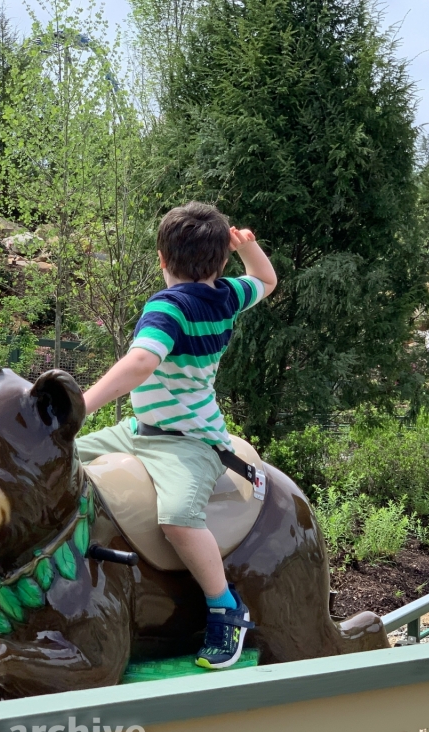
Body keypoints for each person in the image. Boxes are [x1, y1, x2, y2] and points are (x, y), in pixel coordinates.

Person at [75, 201, 277, 669]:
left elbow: (143, 361)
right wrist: (250, 247)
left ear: (162, 260)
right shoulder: (228, 294)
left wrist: (81, 405)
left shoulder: (168, 307)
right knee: (58, 457)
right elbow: (267, 281)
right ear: (221, 261)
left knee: (179, 518)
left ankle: (225, 607)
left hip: (190, 441)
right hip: (137, 431)